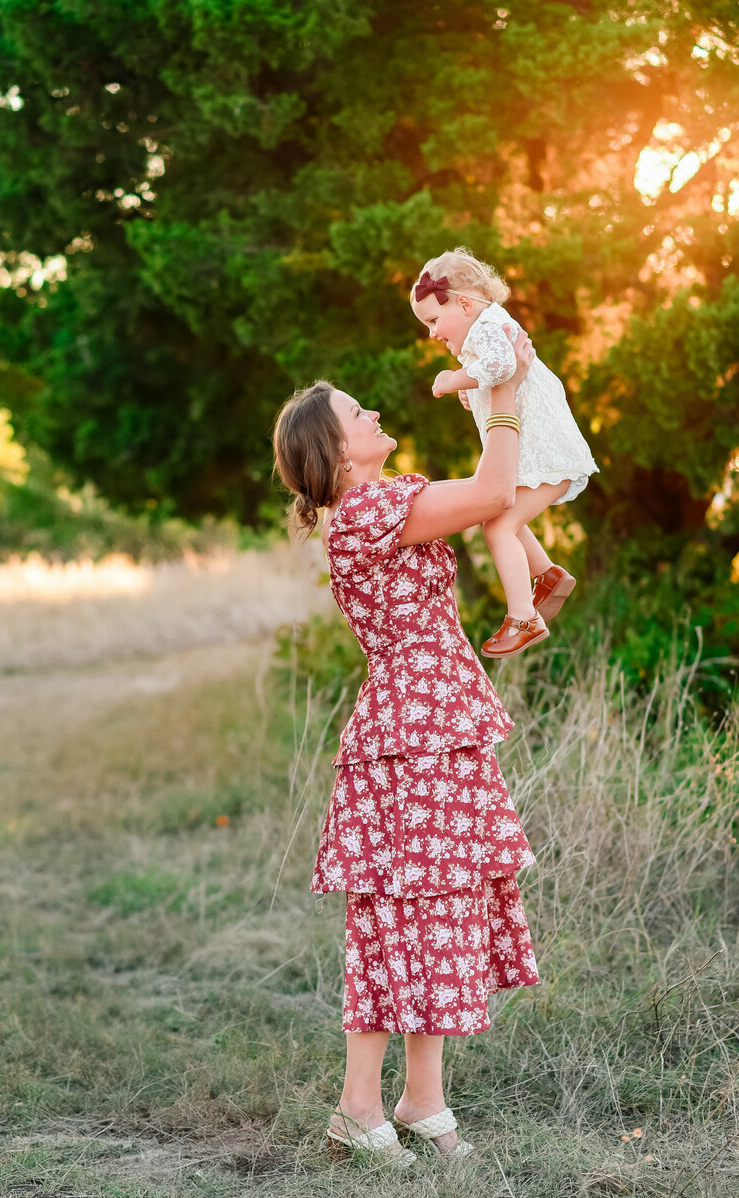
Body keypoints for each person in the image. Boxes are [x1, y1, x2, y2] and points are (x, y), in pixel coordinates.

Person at [272, 325, 540, 1167]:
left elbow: (492, 503)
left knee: (442, 906)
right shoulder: (367, 514)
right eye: (358, 412)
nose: (376, 409)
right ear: (338, 451)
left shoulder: (388, 506)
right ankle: (358, 1107)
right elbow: (497, 489)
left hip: (437, 723)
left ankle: (423, 1101)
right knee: (398, 913)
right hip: (409, 737)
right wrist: (498, 385)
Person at [411, 246, 599, 658]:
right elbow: (499, 375)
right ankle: (548, 576)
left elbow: (500, 369)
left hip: (548, 454)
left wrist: (452, 379)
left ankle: (524, 618)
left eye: (433, 320)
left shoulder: (487, 329)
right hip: (545, 452)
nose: (431, 333)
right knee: (497, 515)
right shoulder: (487, 329)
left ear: (463, 303)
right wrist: (472, 388)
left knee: (497, 528)